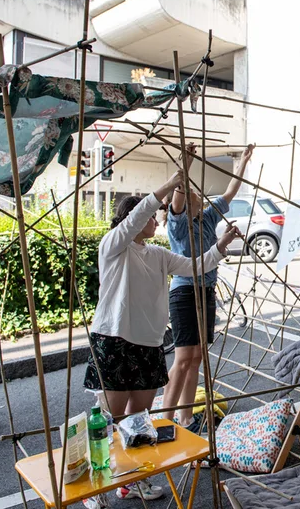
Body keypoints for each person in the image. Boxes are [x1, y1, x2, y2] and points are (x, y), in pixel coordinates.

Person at [82, 146, 240, 507]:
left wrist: (223, 244)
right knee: (109, 421)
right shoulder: (113, 247)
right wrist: (171, 182)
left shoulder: (156, 255)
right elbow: (139, 214)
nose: (158, 220)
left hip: (148, 345)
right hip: (113, 341)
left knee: (138, 422)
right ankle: (99, 488)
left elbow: (195, 266)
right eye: (154, 217)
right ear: (135, 220)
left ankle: (131, 482)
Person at [164, 144, 255, 430]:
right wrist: (185, 165)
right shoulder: (178, 224)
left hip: (206, 291)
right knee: (182, 358)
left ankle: (186, 416)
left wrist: (243, 163)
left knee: (197, 357)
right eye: (193, 195)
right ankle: (164, 420)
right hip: (184, 293)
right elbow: (177, 198)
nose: (199, 196)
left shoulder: (207, 216)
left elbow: (230, 192)